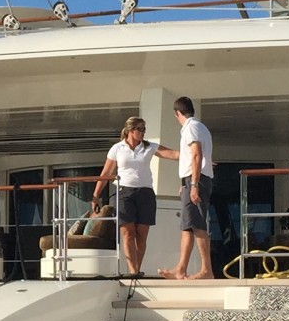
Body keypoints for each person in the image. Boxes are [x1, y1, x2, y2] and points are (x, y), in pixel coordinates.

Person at [92, 115, 166, 277]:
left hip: (145, 192)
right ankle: (133, 270)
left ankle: (137, 269)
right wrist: (96, 195)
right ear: (130, 130)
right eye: (140, 129)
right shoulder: (117, 148)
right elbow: (106, 173)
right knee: (127, 232)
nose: (143, 133)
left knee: (142, 233)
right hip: (124, 191)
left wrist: (196, 158)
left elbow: (172, 154)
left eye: (144, 130)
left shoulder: (149, 147)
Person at [159, 96, 215, 279]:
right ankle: (181, 268)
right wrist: (184, 183)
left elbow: (196, 155)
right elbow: (188, 157)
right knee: (187, 226)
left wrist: (193, 184)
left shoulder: (191, 128)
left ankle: (206, 269)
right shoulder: (200, 127)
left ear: (177, 113)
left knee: (198, 224)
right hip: (190, 179)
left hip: (196, 180)